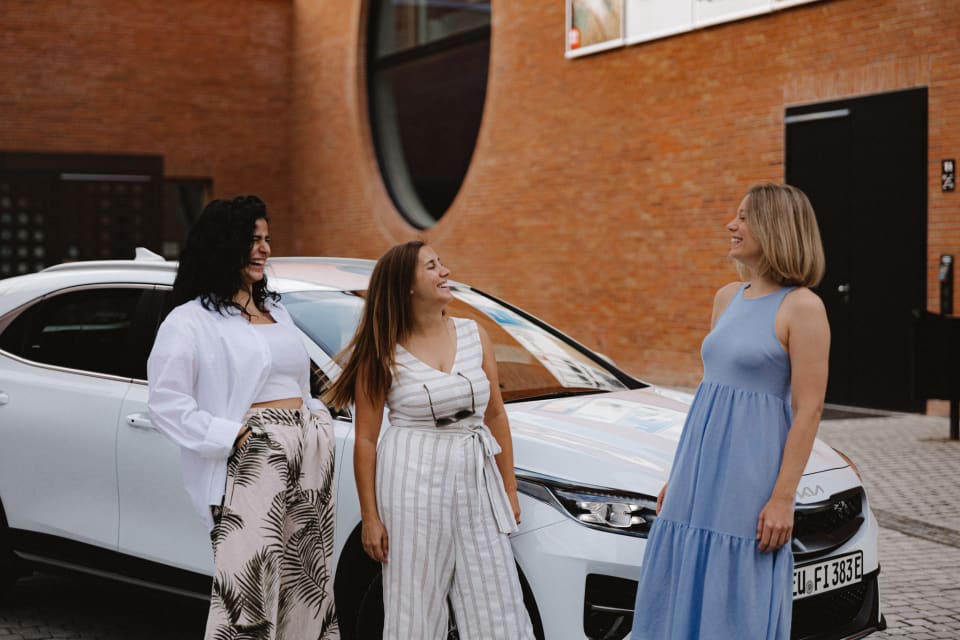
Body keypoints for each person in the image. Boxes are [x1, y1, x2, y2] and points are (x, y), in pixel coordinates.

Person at [630, 183, 830, 639]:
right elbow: (713, 390)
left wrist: (782, 498)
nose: (731, 225)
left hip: (750, 473)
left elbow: (809, 409)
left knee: (736, 580)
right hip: (698, 470)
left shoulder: (802, 307)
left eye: (744, 218)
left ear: (776, 228)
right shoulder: (726, 297)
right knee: (681, 571)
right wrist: (678, 474)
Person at [147, 195, 339, 640]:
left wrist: (318, 421)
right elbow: (166, 403)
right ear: (223, 244)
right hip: (250, 462)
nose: (265, 248)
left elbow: (301, 385)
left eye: (267, 239)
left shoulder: (280, 311)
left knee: (306, 589)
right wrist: (234, 437)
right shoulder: (189, 321)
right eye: (253, 239)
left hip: (307, 456)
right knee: (247, 594)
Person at [325, 240, 535, 640]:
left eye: (442, 264)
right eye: (433, 267)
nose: (446, 272)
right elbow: (366, 439)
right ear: (407, 285)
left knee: (496, 592)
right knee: (415, 600)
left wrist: (509, 489)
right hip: (411, 476)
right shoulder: (381, 352)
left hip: (475, 474)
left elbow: (494, 414)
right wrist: (370, 518)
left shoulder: (475, 335)